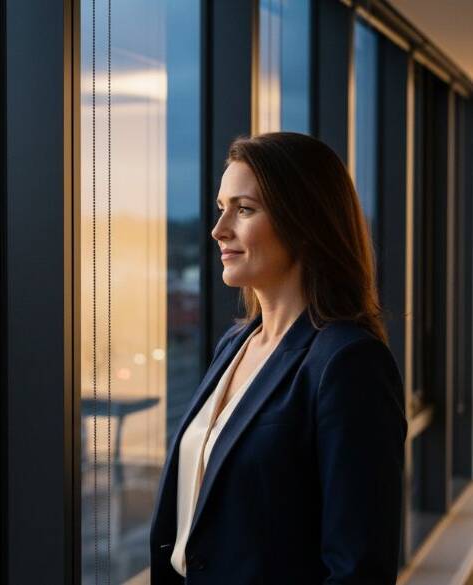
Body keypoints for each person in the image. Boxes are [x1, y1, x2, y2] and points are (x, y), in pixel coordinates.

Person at [149, 133, 406, 583]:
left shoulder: (348, 362)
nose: (219, 229)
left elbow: (358, 566)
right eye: (220, 207)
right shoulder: (235, 343)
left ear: (304, 222)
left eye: (244, 210)